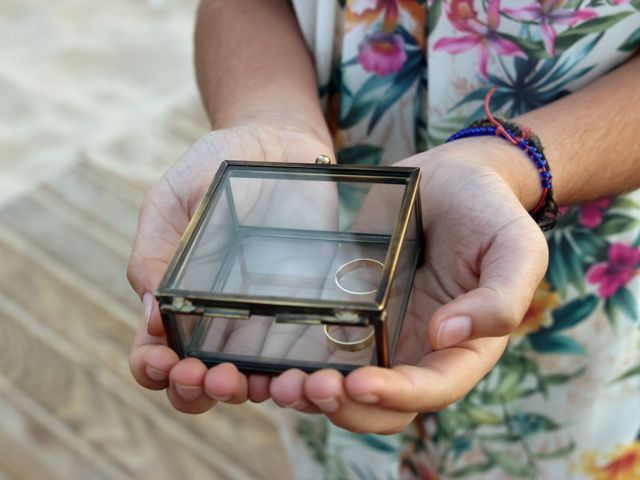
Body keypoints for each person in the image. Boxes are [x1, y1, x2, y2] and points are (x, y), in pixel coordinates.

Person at [127, 0, 640, 478]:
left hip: (572, 308)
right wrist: (272, 119)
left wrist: (509, 166)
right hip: (321, 280)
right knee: (332, 410)